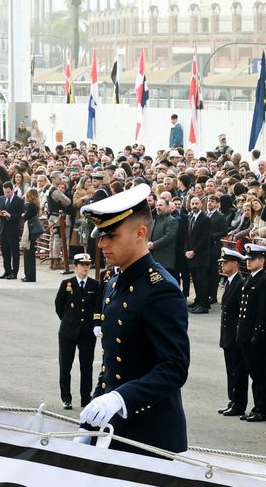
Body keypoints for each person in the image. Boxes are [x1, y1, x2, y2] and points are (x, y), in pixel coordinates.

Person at [78, 183, 189, 455]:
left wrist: (120, 398)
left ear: (140, 233)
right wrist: (91, 419)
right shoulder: (114, 283)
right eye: (101, 236)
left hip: (148, 435)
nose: (101, 243)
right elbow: (111, 364)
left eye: (110, 236)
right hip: (112, 428)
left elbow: (174, 367)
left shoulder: (160, 288)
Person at [54, 253, 102, 410]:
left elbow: (97, 307)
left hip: (87, 331)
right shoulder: (67, 284)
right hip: (68, 331)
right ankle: (66, 397)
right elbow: (59, 306)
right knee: (65, 365)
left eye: (88, 265)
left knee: (86, 366)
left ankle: (85, 399)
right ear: (75, 266)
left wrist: (96, 324)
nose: (85, 268)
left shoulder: (95, 285)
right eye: (82, 265)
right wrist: (68, 320)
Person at [236, 243, 266, 422]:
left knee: (262, 373)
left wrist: (257, 333)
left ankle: (263, 409)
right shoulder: (250, 278)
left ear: (262, 260)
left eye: (252, 259)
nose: (249, 262)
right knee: (253, 372)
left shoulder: (265, 280)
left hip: (257, 333)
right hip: (245, 332)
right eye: (248, 259)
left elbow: (262, 310)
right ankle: (257, 406)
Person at [217, 247, 248, 417]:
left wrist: (237, 336)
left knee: (238, 371)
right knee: (231, 370)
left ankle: (239, 403)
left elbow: (240, 313)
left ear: (235, 264)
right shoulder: (230, 282)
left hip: (235, 336)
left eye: (225, 262)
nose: (222, 265)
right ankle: (233, 400)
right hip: (227, 335)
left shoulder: (240, 283)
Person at [0, 180, 25, 279]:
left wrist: (10, 215)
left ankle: (14, 272)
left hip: (13, 228)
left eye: (8, 192)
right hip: (3, 228)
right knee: (5, 251)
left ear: (12, 190)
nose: (6, 194)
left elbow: (21, 215)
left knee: (14, 251)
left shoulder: (19, 200)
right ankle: (7, 271)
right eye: (5, 192)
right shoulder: (1, 199)